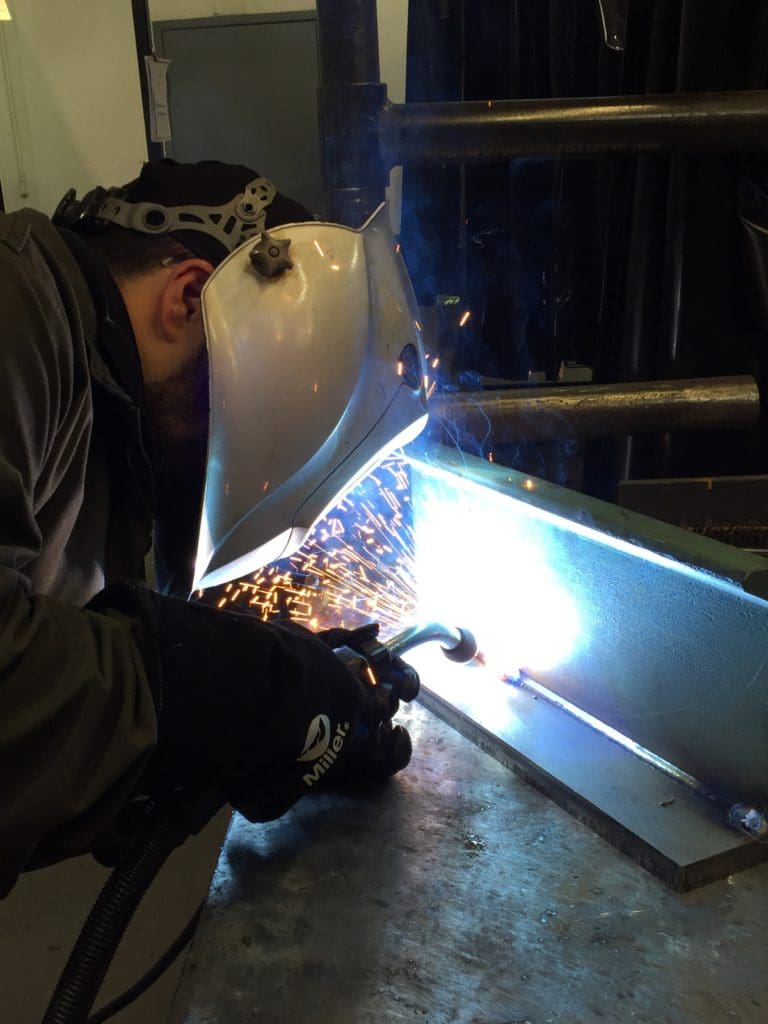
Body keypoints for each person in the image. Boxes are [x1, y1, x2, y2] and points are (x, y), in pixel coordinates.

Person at [0, 159, 414, 897]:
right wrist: (240, 687)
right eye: (212, 424)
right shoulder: (13, 309)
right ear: (189, 300)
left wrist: (153, 756)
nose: (200, 455)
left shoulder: (98, 427)